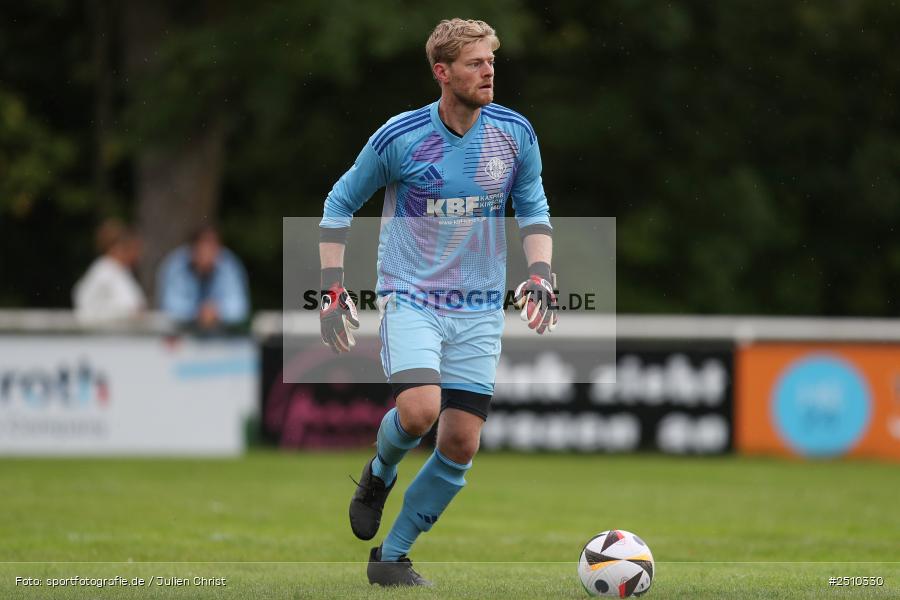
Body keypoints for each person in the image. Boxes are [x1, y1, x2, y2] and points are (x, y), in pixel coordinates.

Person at [318, 18, 558, 586]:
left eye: (491, 61)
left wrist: (542, 273)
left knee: (460, 440)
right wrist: (332, 288)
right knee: (420, 411)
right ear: (442, 72)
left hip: (477, 305)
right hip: (411, 295)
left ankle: (392, 558)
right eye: (476, 63)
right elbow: (338, 201)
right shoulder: (399, 137)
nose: (489, 70)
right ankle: (379, 473)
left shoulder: (515, 133)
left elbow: (534, 205)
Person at [157, 225, 250, 330]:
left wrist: (217, 312)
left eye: (211, 249)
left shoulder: (229, 266)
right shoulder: (175, 266)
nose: (207, 255)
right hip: (183, 335)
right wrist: (197, 313)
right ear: (192, 250)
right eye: (202, 250)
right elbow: (169, 307)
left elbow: (240, 309)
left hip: (222, 336)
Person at [72, 219, 146, 323]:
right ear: (119, 247)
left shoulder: (120, 271)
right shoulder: (104, 270)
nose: (138, 255)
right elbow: (129, 306)